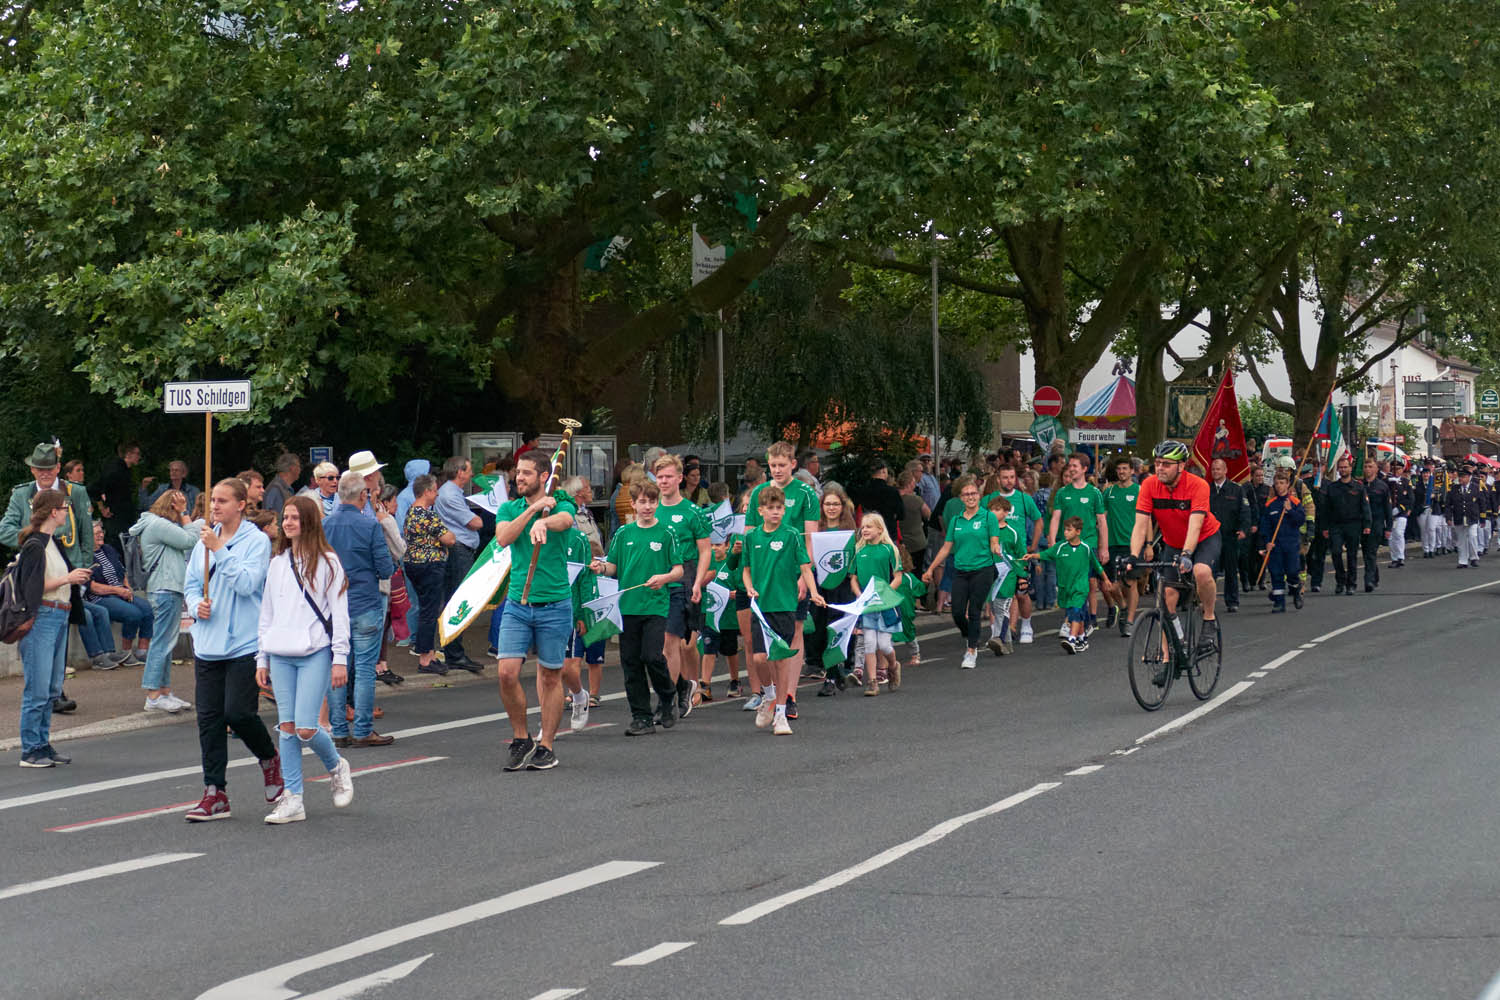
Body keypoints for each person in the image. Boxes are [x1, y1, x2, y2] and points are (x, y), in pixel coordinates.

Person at [181, 478, 283, 822]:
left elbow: (247, 584)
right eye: (213, 501)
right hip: (207, 643)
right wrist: (196, 606)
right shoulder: (204, 540)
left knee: (239, 714)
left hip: (243, 642)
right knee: (209, 719)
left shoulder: (256, 541)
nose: (215, 506)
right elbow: (190, 584)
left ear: (240, 505)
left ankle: (269, 758)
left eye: (222, 501)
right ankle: (215, 792)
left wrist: (220, 550)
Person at [256, 495, 355, 824]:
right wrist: (261, 658)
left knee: (306, 728)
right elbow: (267, 614)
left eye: (295, 518)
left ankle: (336, 766)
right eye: (285, 517)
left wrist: (340, 657)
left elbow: (340, 614)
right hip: (280, 653)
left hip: (315, 652)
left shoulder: (328, 562)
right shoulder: (277, 562)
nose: (288, 523)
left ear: (309, 522)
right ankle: (293, 798)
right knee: (286, 728)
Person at [493, 450, 578, 771]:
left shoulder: (561, 503)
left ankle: (547, 746)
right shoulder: (509, 508)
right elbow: (503, 538)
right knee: (506, 672)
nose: (519, 477)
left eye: (526, 473)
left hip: (555, 605)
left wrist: (545, 519)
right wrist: (531, 512)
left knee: (550, 676)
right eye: (518, 472)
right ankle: (521, 738)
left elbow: (565, 521)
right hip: (517, 605)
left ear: (544, 476)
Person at [593, 479, 682, 736]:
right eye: (642, 502)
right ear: (633, 504)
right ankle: (641, 716)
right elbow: (613, 567)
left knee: (652, 656)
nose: (647, 507)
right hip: (627, 607)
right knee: (631, 663)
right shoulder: (623, 533)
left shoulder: (667, 533)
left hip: (655, 605)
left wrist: (663, 578)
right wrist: (601, 567)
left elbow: (678, 570)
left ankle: (668, 695)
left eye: (652, 501)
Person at [14, 490, 91, 767]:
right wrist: (67, 578)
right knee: (37, 687)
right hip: (43, 616)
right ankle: (30, 750)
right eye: (64, 506)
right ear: (52, 512)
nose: (67, 511)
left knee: (51, 687)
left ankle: (42, 744)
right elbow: (31, 588)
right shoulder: (35, 545)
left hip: (59, 615)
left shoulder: (52, 542)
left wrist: (73, 579)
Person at [1125, 440, 1220, 659]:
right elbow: (1140, 525)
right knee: (1167, 597)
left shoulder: (1198, 485)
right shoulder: (1149, 485)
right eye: (1158, 463)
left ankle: (1209, 618)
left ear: (1181, 466)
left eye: (1166, 464)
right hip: (1173, 542)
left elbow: (1195, 525)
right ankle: (1171, 654)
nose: (1160, 468)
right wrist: (1133, 555)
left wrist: (1187, 554)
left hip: (1204, 538)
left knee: (1201, 572)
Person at [741, 484, 824, 735]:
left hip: (785, 605)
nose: (776, 512)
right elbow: (746, 570)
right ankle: (768, 695)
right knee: (759, 658)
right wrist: (749, 587)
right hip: (761, 607)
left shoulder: (791, 534)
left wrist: (814, 591)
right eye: (771, 508)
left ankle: (781, 713)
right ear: (760, 511)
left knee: (781, 659)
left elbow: (805, 567)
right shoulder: (751, 537)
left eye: (779, 508)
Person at [324, 470, 397, 747]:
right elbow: (385, 568)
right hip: (365, 601)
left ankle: (339, 729)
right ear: (363, 496)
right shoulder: (369, 525)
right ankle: (364, 729)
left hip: (334, 605)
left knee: (338, 665)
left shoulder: (325, 525)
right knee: (365, 669)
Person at [922, 475, 1002, 670]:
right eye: (966, 494)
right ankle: (971, 634)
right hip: (961, 570)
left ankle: (971, 651)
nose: (970, 497)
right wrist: (931, 569)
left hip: (983, 569)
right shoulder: (956, 520)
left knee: (974, 610)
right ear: (961, 498)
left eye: (973, 493)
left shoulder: (988, 517)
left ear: (979, 495)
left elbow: (994, 540)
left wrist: (995, 547)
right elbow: (946, 547)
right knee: (957, 612)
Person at [652, 453, 711, 715]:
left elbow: (705, 550)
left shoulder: (692, 512)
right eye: (659, 477)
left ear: (679, 478)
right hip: (656, 578)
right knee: (657, 647)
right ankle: (681, 686)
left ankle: (666, 701)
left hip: (683, 579)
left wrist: (698, 582)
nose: (663, 481)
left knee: (672, 642)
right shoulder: (651, 509)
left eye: (668, 476)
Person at [128, 490, 197, 712]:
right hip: (165, 588)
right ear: (173, 506)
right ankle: (153, 694)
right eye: (180, 506)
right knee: (161, 642)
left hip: (164, 588)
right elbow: (190, 540)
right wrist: (185, 514)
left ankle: (164, 691)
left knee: (167, 642)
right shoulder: (159, 525)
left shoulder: (153, 524)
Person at [432, 456, 485, 672]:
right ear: (460, 472)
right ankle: (454, 652)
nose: (471, 474)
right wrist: (480, 518)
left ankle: (453, 650)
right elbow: (475, 522)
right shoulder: (449, 494)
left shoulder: (451, 492)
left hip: (460, 550)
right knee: (458, 599)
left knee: (456, 598)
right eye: (469, 470)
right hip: (458, 552)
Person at [1046, 454, 1108, 634]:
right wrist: (1052, 542)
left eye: (1075, 466)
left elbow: (1102, 521)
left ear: (1084, 469)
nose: (1071, 469)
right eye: (1070, 466)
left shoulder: (1094, 493)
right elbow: (1055, 518)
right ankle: (1082, 622)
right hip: (1067, 546)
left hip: (1087, 546)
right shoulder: (1062, 493)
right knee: (1068, 585)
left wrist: (1104, 548)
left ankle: (1071, 623)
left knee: (1079, 585)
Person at [985, 464, 1043, 643]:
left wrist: (1033, 545)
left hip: (1018, 556)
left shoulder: (1024, 499)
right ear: (998, 479)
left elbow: (1039, 521)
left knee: (1021, 593)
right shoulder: (988, 499)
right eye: (1005, 477)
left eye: (1012, 477)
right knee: (996, 593)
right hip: (995, 556)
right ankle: (1000, 631)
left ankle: (1026, 624)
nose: (1009, 481)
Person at [402, 474, 453, 675]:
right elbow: (449, 539)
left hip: (413, 563)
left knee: (426, 608)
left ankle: (430, 654)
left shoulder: (410, 512)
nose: (437, 494)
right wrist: (447, 536)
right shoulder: (428, 516)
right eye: (434, 490)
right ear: (426, 492)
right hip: (430, 565)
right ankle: (425, 659)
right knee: (429, 611)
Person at [1033, 516, 1106, 654]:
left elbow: (1096, 565)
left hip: (1080, 587)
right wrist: (1032, 556)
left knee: (1075, 611)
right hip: (1066, 587)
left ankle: (1072, 639)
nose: (1065, 532)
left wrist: (1106, 579)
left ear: (1078, 532)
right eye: (1065, 530)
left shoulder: (1086, 548)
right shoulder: (1060, 546)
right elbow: (1046, 554)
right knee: (1078, 613)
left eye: (1069, 530)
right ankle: (1082, 639)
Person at [809, 490, 857, 697]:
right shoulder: (814, 529)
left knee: (836, 627)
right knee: (819, 628)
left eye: (835, 504)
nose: (831, 508)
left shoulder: (851, 532)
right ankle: (833, 671)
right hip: (819, 585)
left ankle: (831, 676)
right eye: (827, 504)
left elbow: (854, 558)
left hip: (842, 586)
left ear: (842, 507)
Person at [86, 521, 154, 664]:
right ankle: (126, 653)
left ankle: (142, 651)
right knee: (133, 614)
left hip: (120, 592)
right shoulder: (85, 556)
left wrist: (127, 588)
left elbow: (122, 572)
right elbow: (93, 587)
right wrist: (118, 590)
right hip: (101, 596)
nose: (101, 535)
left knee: (147, 609)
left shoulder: (108, 549)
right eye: (97, 533)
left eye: (101, 532)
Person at [852, 512, 903, 694]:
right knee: (869, 643)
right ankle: (872, 681)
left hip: (885, 604)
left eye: (869, 526)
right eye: (863, 527)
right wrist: (860, 595)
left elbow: (898, 577)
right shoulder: (859, 550)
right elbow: (853, 578)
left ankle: (893, 665)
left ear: (880, 529)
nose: (864, 530)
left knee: (884, 644)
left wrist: (884, 593)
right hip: (868, 605)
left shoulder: (889, 549)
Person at [1102, 457, 1144, 635]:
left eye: (1125, 468)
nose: (1121, 472)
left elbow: (1146, 519)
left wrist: (1149, 544)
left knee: (1130, 583)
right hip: (1112, 544)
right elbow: (1101, 517)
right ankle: (1123, 606)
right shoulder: (1109, 492)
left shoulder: (1139, 491)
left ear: (1132, 471)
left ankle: (1130, 621)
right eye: (1119, 469)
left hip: (1132, 544)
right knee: (1110, 586)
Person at [983, 495, 1027, 657]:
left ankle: (998, 637)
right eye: (991, 510)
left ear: (1006, 512)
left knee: (1002, 605)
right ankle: (1007, 644)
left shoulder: (1012, 532)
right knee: (995, 606)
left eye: (997, 510)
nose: (993, 513)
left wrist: (1022, 576)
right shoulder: (986, 531)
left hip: (1008, 574)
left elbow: (1021, 555)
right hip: (991, 573)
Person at [1258, 469, 1306, 612]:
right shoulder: (1270, 505)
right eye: (1277, 483)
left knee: (1292, 571)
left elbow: (1300, 520)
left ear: (1287, 484)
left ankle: (1296, 591)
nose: (1279, 486)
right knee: (1276, 572)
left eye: (1282, 483)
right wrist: (1267, 542)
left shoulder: (1294, 502)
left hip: (1291, 544)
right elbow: (1265, 526)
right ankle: (1279, 603)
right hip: (1276, 544)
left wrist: (1290, 510)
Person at [1207, 458, 1251, 612]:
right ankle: (1208, 601)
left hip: (1230, 536)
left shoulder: (1236, 489)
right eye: (1213, 469)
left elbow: (1245, 511)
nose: (1215, 472)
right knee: (1210, 571)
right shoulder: (1206, 489)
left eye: (1218, 469)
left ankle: (1232, 601)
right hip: (1210, 537)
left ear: (1225, 471)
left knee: (1231, 570)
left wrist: (1244, 529)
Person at [1322, 456, 1370, 594]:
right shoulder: (1332, 487)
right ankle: (1340, 580)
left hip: (1353, 524)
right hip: (1336, 525)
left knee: (1352, 555)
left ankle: (1351, 584)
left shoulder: (1359, 487)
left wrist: (1367, 524)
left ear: (1350, 468)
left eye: (1345, 467)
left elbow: (1365, 507)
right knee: (1336, 552)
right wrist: (1325, 527)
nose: (1343, 470)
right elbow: (1326, 509)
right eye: (1341, 467)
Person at [94, 442, 143, 545]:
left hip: (124, 517)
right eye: (137, 454)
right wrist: (102, 507)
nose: (139, 457)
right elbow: (94, 487)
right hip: (116, 520)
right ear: (128, 454)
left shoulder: (126, 470)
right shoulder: (115, 470)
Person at [1361, 458, 1392, 590]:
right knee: (1366, 552)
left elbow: (1388, 508)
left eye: (1370, 466)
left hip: (1377, 523)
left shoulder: (1382, 486)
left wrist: (1388, 527)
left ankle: (1368, 580)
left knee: (1371, 551)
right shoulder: (1359, 485)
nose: (1368, 469)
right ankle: (1374, 576)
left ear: (1376, 469)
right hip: (1362, 523)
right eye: (1366, 466)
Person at [1447, 464, 1482, 568]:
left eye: (1463, 477)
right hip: (1459, 517)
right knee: (1461, 540)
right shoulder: (1454, 489)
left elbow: (1482, 502)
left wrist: (1483, 517)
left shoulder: (1476, 487)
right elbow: (1448, 504)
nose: (1461, 479)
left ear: (1468, 477)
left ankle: (1474, 557)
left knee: (1472, 536)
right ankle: (1463, 561)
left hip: (1472, 517)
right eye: (1460, 477)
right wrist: (1448, 517)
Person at [896, 470, 930, 574]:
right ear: (909, 484)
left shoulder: (893, 499)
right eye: (914, 483)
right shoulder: (916, 500)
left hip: (899, 542)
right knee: (917, 571)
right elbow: (928, 514)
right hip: (917, 542)